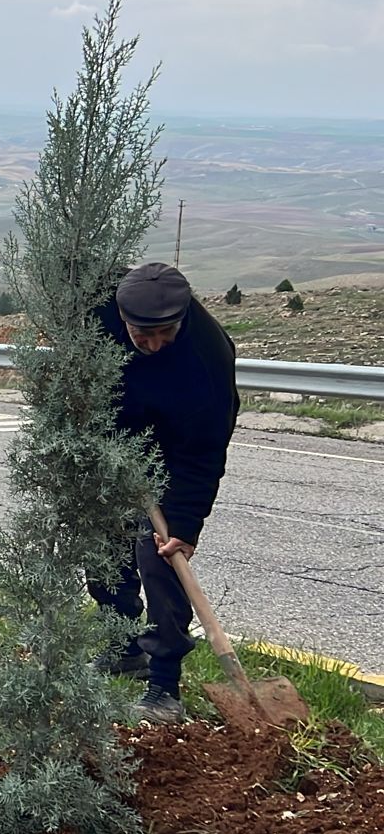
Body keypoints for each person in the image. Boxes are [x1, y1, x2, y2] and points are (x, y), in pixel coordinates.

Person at [87, 262, 239, 725]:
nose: (153, 347)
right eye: (142, 336)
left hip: (177, 453)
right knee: (103, 548)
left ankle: (164, 684)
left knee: (161, 556)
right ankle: (122, 646)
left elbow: (204, 452)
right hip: (118, 442)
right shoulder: (102, 308)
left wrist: (186, 526)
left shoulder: (207, 359)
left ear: (183, 318)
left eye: (165, 335)